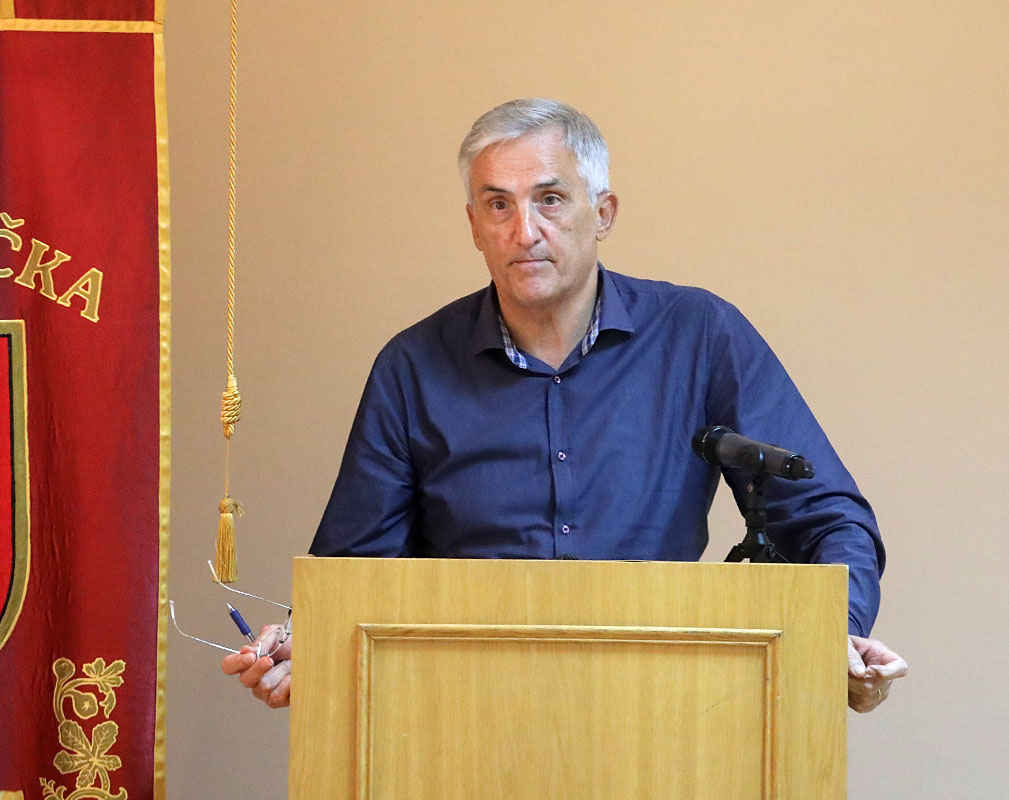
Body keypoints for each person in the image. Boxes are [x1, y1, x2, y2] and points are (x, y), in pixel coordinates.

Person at [223, 98, 908, 713]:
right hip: (461, 711)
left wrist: (837, 634)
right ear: (473, 225)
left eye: (550, 199)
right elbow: (354, 573)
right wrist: (305, 643)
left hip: (664, 708)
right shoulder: (412, 366)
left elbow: (828, 517)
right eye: (498, 205)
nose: (524, 230)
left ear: (603, 213)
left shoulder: (699, 334)